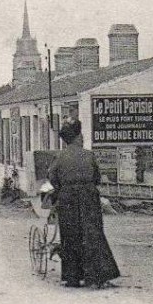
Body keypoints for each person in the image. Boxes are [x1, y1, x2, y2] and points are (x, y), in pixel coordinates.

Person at [47, 119, 120, 288]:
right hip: (88, 197)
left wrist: (63, 189)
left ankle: (72, 278)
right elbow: (96, 177)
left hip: (68, 198)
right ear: (78, 137)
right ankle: (95, 276)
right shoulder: (89, 155)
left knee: (70, 235)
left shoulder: (59, 157)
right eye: (81, 135)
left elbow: (52, 178)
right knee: (92, 234)